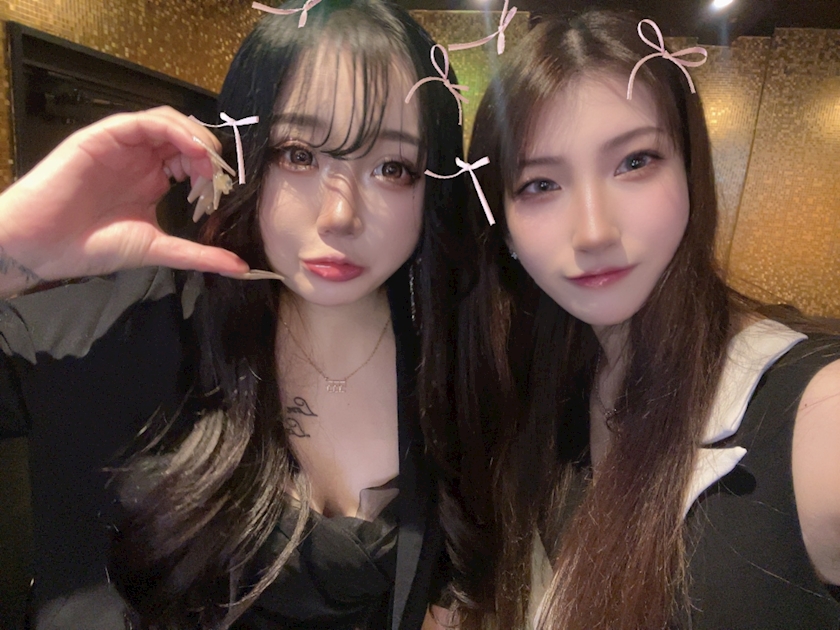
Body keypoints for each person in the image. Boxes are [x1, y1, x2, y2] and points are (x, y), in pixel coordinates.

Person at [0, 1, 468, 628]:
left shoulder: (453, 357)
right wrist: (12, 246)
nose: (340, 216)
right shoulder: (139, 322)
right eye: (299, 154)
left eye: (392, 168)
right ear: (244, 153)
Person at [438, 9, 840, 630]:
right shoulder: (539, 393)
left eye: (634, 162)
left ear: (690, 170)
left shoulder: (816, 414)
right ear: (505, 230)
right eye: (540, 184)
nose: (594, 231)